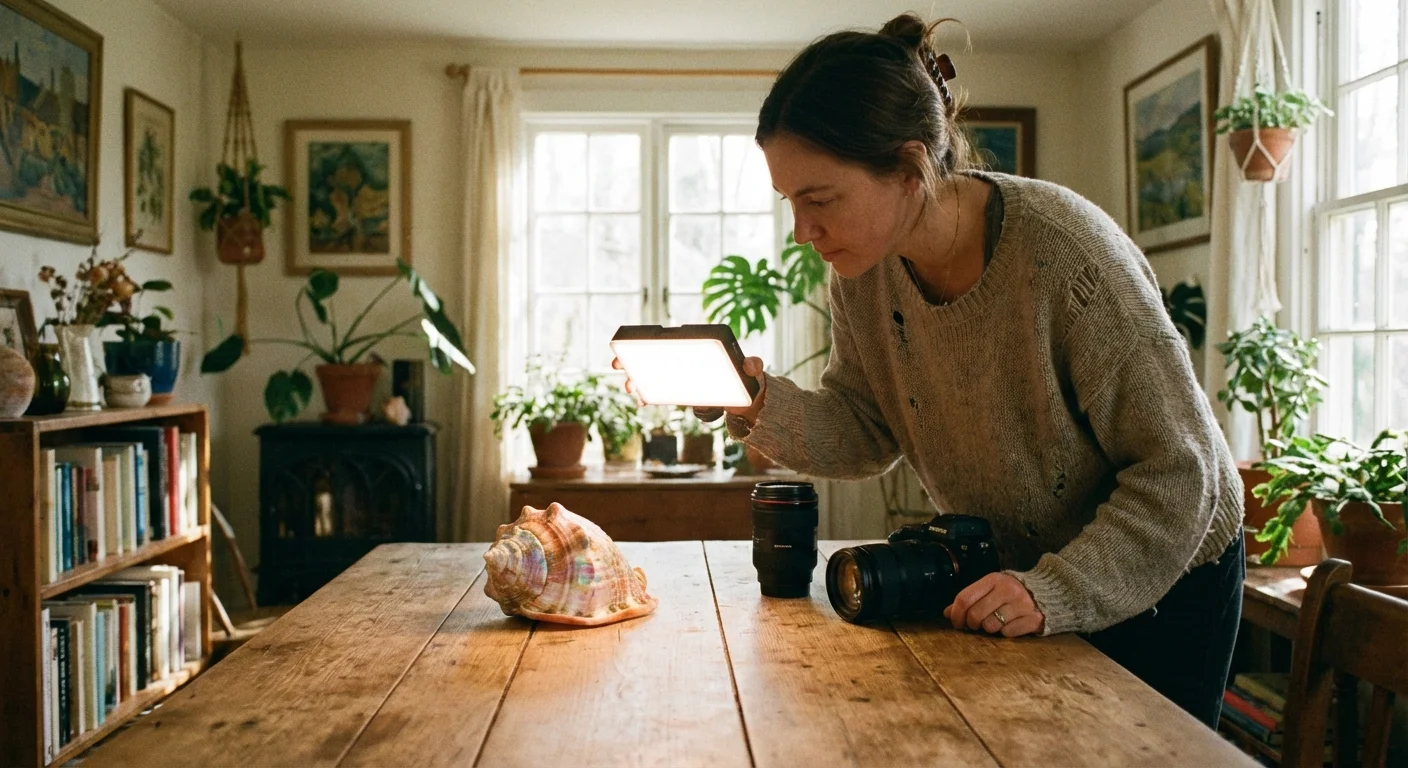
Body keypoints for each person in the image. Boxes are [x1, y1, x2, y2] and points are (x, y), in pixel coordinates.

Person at [615, 13, 1244, 728]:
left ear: (910, 168)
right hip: (1023, 573)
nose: (802, 231)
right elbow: (866, 429)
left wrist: (1056, 590)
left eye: (819, 200)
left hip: (1167, 567)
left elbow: (1179, 470)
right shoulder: (862, 275)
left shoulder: (1069, 254)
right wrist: (758, 403)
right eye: (791, 203)